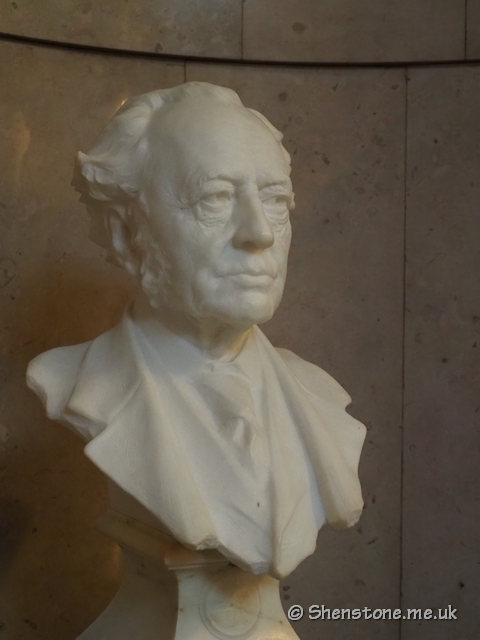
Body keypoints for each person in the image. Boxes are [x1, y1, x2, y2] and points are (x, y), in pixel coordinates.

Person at [27, 82, 366, 580]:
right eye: (214, 198)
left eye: (275, 200)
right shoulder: (74, 384)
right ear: (126, 231)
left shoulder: (319, 398)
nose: (260, 232)